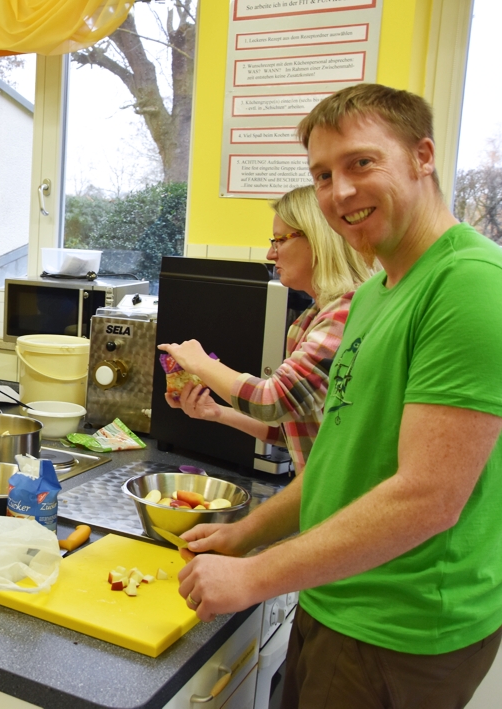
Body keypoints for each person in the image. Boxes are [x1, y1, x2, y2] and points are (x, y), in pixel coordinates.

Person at [176, 84, 502, 708]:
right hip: (335, 596)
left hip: (396, 629)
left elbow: (427, 499)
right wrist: (249, 533)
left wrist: (254, 575)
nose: (340, 193)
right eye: (322, 175)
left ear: (422, 156)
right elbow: (339, 462)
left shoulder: (468, 285)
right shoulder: (377, 291)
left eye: (361, 163)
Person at [158, 185, 372, 474]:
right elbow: (292, 430)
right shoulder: (306, 322)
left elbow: (273, 400)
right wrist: (218, 413)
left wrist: (200, 363)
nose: (270, 254)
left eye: (279, 240)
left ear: (318, 240)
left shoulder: (348, 314)